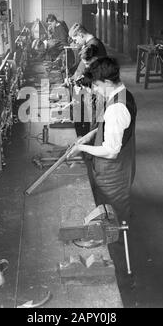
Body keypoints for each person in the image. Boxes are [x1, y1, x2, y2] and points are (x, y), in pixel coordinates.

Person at [67, 57, 137, 226]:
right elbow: (114, 127)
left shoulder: (116, 108)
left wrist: (82, 147)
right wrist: (91, 134)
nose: (96, 90)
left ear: (107, 81)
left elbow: (111, 150)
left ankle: (118, 248)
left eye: (97, 85)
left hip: (113, 173)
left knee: (114, 217)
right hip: (118, 166)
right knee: (108, 213)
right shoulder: (122, 93)